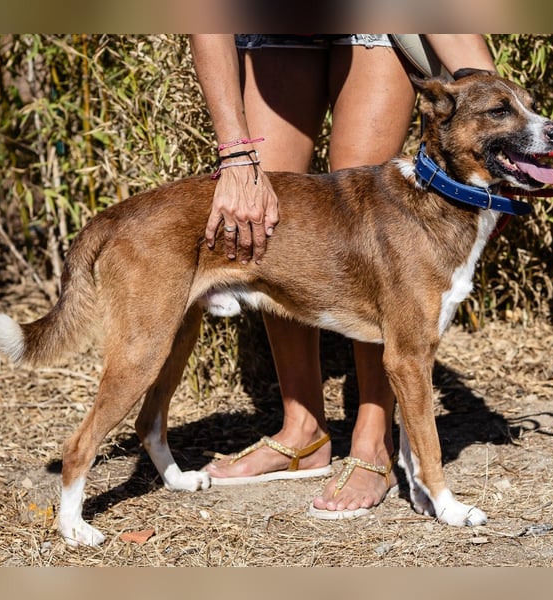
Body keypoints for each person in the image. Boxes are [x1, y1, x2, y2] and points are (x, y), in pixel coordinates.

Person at [190, 34, 496, 518]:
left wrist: (498, 104)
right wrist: (234, 155)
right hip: (275, 25)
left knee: (371, 229)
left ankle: (373, 443)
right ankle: (302, 432)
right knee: (270, 228)